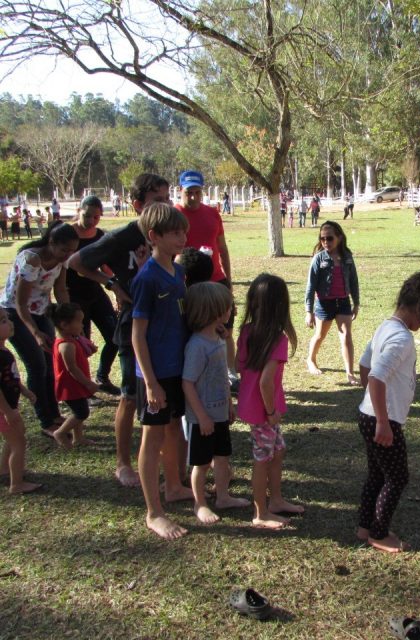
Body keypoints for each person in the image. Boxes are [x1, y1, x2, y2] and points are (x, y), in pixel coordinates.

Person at [68, 173, 171, 487]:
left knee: (164, 391)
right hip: (131, 325)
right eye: (157, 200)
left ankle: (165, 458)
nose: (165, 205)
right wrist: (112, 283)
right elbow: (76, 262)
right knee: (129, 395)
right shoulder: (121, 237)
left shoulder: (167, 231)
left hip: (163, 325)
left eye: (167, 199)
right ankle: (123, 463)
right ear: (137, 204)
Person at [356, 268, 420, 553]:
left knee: (377, 474)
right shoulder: (402, 338)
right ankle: (378, 533)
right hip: (383, 420)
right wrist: (382, 420)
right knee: (397, 478)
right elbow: (376, 376)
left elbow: (364, 365)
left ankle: (364, 527)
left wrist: (371, 405)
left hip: (369, 414)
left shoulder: (386, 326)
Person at [131, 202, 191, 540]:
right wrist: (151, 382)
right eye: (175, 233)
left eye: (184, 231)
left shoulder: (178, 272)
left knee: (174, 429)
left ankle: (175, 487)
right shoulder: (147, 278)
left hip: (178, 368)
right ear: (154, 236)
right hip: (154, 374)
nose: (183, 238)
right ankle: (153, 512)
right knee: (152, 439)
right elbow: (137, 334)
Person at [236, 273, 304, 529]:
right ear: (280, 306)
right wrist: (271, 411)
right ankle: (260, 513)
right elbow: (265, 382)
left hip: (257, 408)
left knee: (278, 451)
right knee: (262, 459)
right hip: (264, 411)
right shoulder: (278, 339)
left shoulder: (246, 332)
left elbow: (238, 366)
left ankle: (275, 500)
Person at [0, 222, 79, 436]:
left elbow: (60, 290)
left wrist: (68, 318)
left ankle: (54, 414)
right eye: (64, 250)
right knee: (37, 365)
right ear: (51, 242)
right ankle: (45, 421)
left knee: (49, 365)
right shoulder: (32, 259)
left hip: (41, 311)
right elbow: (20, 303)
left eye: (72, 251)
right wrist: (35, 333)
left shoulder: (62, 260)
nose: (68, 255)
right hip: (16, 314)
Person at [182, 282, 250, 523]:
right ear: (214, 311)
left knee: (222, 457)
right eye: (227, 307)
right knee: (201, 464)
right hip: (202, 419)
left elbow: (222, 377)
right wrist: (201, 416)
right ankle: (199, 504)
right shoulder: (197, 346)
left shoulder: (219, 339)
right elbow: (187, 383)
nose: (231, 310)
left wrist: (229, 405)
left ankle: (223, 497)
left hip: (220, 413)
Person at [175, 170, 238, 392]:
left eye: (197, 192)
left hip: (216, 279)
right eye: (188, 192)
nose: (193, 197)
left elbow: (222, 248)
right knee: (196, 330)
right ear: (180, 191)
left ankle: (230, 374)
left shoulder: (212, 213)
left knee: (226, 328)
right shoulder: (174, 215)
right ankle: (194, 375)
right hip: (189, 283)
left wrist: (228, 281)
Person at [67, 196, 119, 395]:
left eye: (96, 217)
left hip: (95, 292)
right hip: (74, 296)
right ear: (78, 211)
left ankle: (102, 377)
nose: (91, 221)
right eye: (87, 216)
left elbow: (106, 268)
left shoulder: (100, 236)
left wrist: (116, 290)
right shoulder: (67, 233)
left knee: (115, 336)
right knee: (81, 343)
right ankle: (84, 387)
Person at [305, 221, 360, 385]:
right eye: (322, 239)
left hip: (343, 302)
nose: (325, 242)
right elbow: (310, 286)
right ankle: (311, 359)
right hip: (324, 303)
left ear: (339, 238)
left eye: (329, 238)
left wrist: (356, 303)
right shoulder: (318, 259)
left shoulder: (347, 257)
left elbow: (354, 281)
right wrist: (309, 311)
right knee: (320, 335)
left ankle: (350, 373)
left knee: (346, 336)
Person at [0, 308, 41, 494]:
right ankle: (16, 484)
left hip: (9, 407)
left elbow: (10, 378)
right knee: (19, 443)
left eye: (7, 319)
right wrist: (8, 411)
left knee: (16, 436)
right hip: (4, 409)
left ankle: (4, 470)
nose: (10, 323)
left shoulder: (4, 351)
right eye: (3, 321)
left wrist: (25, 391)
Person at [50, 303, 99, 449]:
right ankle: (60, 432)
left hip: (75, 384)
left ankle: (78, 438)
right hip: (70, 386)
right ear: (64, 325)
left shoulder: (72, 339)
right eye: (79, 321)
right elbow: (72, 369)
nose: (82, 325)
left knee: (79, 410)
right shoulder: (66, 345)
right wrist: (88, 383)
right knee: (81, 413)